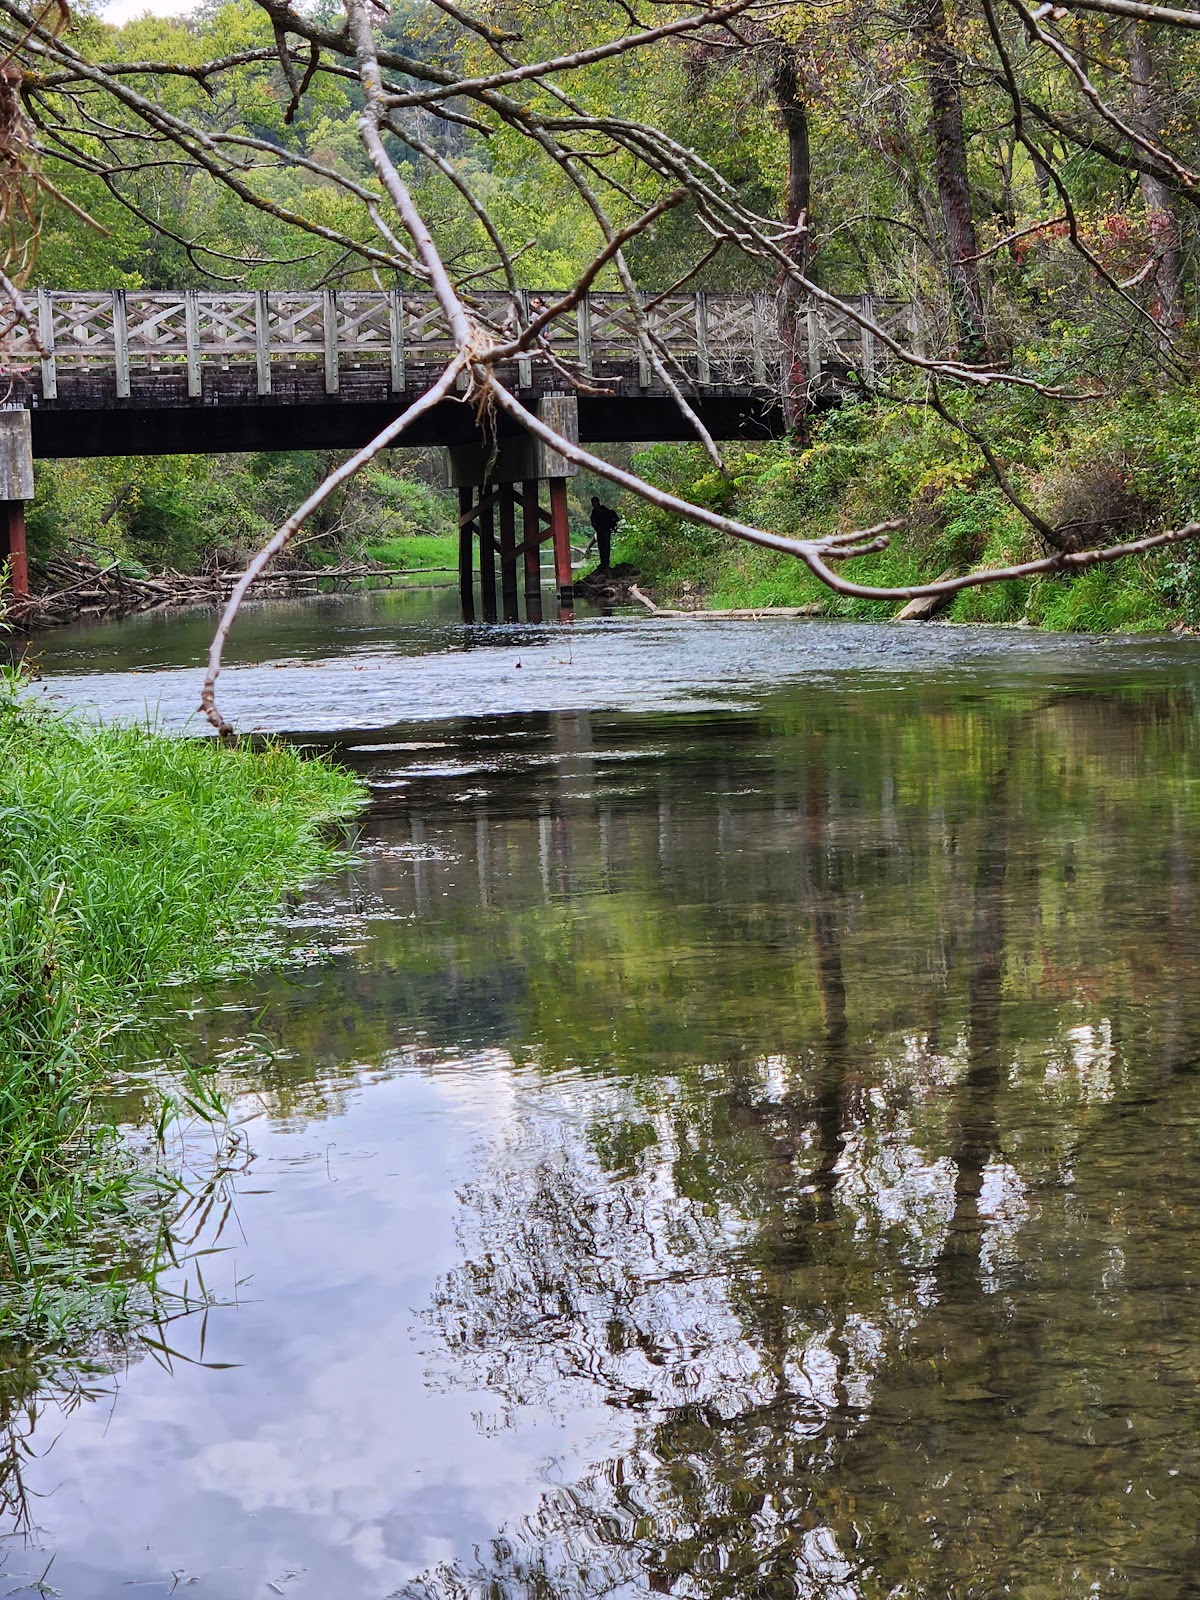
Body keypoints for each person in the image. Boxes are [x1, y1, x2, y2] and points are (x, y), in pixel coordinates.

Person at [589, 495, 619, 570]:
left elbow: (611, 518)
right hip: (599, 532)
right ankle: (603, 563)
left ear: (598, 502)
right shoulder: (594, 513)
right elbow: (593, 522)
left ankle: (606, 563)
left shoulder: (604, 510)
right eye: (593, 503)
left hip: (606, 531)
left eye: (595, 503)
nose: (594, 504)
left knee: (606, 547)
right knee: (601, 547)